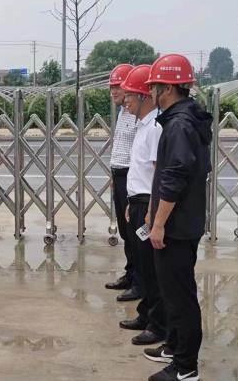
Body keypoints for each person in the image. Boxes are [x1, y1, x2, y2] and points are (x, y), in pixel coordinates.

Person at [143, 54, 212, 381]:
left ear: (168, 88)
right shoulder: (183, 119)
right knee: (174, 292)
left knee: (180, 296)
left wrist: (159, 223)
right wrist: (152, 209)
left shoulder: (181, 125)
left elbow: (175, 177)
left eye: (154, 86)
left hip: (177, 227)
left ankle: (186, 368)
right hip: (181, 222)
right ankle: (174, 347)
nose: (151, 92)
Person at [117, 65, 166, 347]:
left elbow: (158, 173)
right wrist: (131, 202)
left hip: (148, 203)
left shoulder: (155, 128)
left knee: (152, 268)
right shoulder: (142, 125)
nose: (126, 101)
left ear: (145, 96)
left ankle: (158, 325)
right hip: (138, 202)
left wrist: (150, 209)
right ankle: (146, 314)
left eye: (130, 95)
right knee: (143, 265)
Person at [104, 63, 141, 302]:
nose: (113, 92)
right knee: (126, 231)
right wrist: (113, 176)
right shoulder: (123, 112)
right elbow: (120, 146)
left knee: (135, 231)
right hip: (120, 176)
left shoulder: (140, 114)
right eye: (111, 87)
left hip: (132, 177)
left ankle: (140, 282)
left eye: (117, 86)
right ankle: (131, 273)